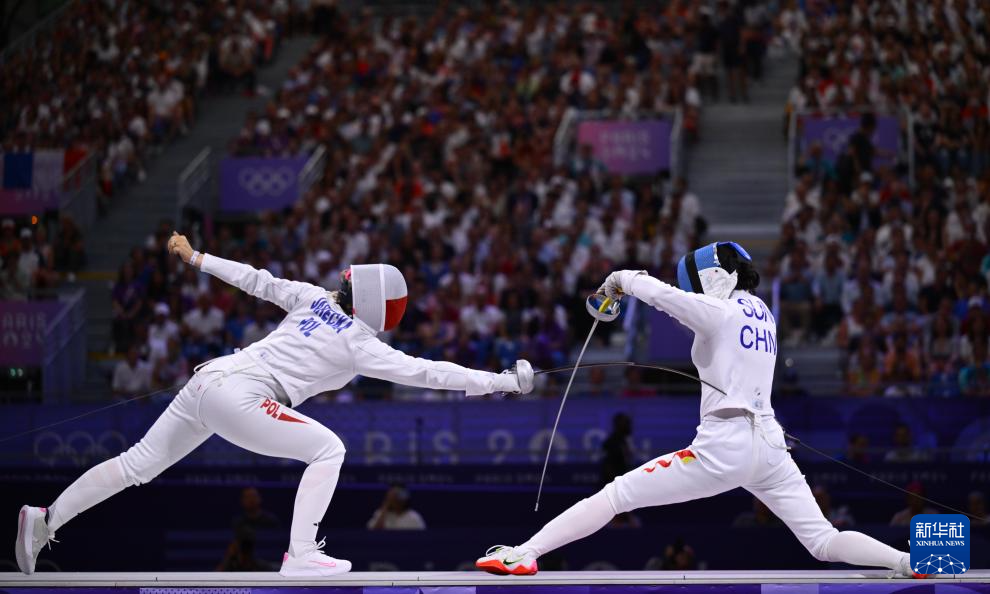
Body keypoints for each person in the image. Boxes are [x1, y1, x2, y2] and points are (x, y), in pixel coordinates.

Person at [16, 232, 534, 577]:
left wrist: (196, 258)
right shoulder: (360, 343)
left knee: (137, 465)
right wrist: (501, 382)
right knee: (328, 449)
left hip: (209, 379)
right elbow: (428, 372)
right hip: (242, 396)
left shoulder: (313, 297)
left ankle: (47, 518)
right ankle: (301, 553)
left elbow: (256, 279)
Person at [477, 241, 920, 578]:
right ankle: (906, 561)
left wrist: (623, 277)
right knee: (822, 539)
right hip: (770, 447)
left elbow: (665, 297)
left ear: (713, 276)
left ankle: (525, 553)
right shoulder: (763, 313)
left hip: (723, 447)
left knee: (616, 494)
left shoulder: (720, 312)